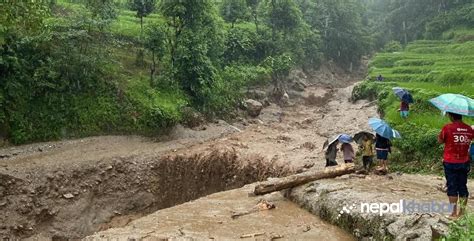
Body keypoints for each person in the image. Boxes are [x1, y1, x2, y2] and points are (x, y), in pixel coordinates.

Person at [438, 113, 474, 219]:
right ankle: (462, 214)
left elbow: (440, 140)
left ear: (451, 116)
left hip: (450, 161)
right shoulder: (469, 128)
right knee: (462, 186)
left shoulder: (447, 128)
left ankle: (453, 213)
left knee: (452, 186)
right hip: (464, 161)